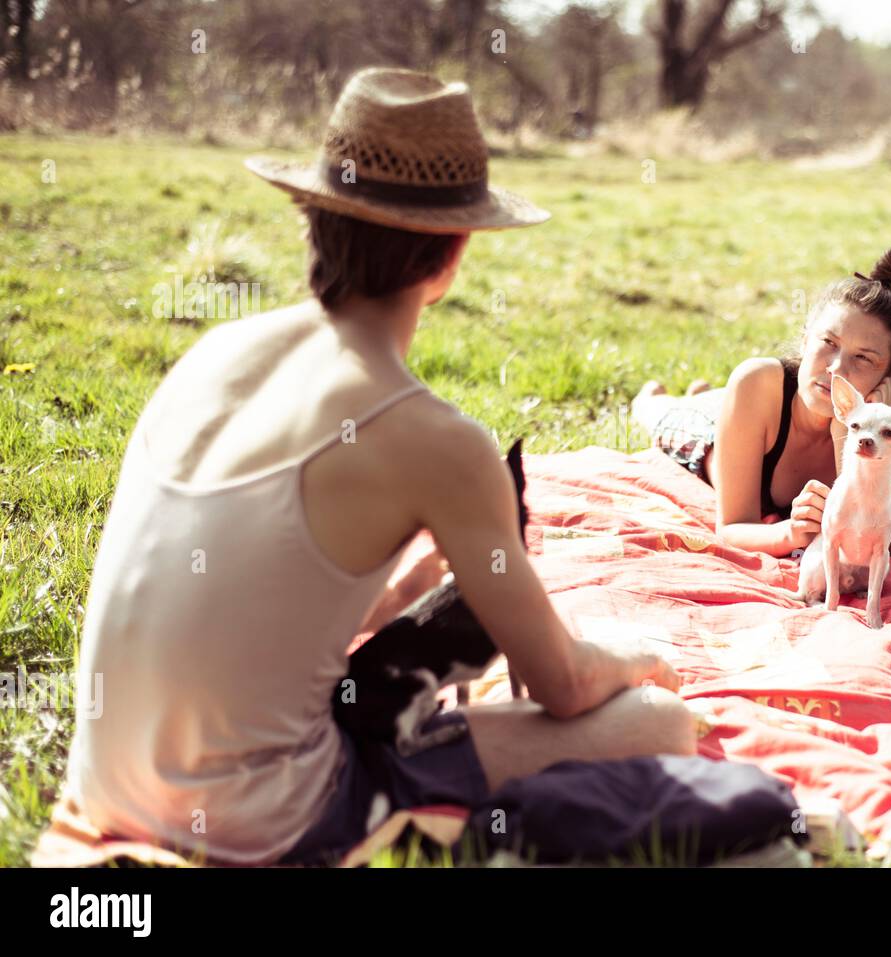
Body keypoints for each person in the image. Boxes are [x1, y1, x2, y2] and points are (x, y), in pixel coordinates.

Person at [61, 67, 692, 867]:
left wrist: (397, 595)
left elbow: (257, 600)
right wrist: (639, 657)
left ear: (315, 218)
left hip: (108, 786)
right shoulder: (433, 436)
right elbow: (564, 684)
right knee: (655, 721)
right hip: (261, 819)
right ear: (453, 252)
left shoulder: (212, 352)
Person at [633, 249, 891, 558]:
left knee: (705, 400)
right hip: (708, 429)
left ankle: (701, 391)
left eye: (863, 358)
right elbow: (733, 527)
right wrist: (789, 533)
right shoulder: (756, 382)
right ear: (805, 340)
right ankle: (660, 396)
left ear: (888, 376)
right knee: (656, 413)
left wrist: (843, 431)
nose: (835, 368)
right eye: (828, 343)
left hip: (746, 411)